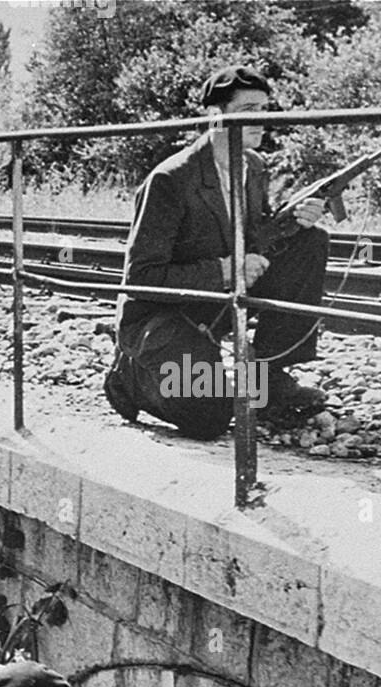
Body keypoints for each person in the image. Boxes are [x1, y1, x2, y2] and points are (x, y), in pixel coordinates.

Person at [105, 64, 330, 440]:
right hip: (165, 315)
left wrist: (292, 219)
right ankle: (128, 379)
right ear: (216, 116)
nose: (262, 120)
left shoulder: (253, 166)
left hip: (218, 302)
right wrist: (227, 269)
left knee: (311, 241)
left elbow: (253, 234)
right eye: (249, 110)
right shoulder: (170, 180)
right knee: (210, 416)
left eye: (265, 109)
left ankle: (267, 376)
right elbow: (142, 279)